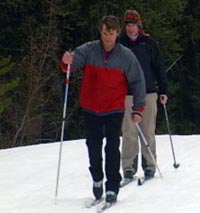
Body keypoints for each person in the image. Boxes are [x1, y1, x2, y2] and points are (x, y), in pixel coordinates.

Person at [60, 15, 146, 203]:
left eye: (112, 33)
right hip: (91, 107)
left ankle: (112, 187)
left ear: (117, 34)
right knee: (93, 145)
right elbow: (71, 65)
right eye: (105, 33)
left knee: (112, 147)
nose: (108, 37)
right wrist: (67, 61)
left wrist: (138, 108)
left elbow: (138, 81)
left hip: (114, 107)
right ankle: (97, 178)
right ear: (101, 32)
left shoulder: (125, 56)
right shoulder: (89, 49)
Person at [120, 9, 168, 181]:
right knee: (129, 131)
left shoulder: (148, 43)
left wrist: (163, 90)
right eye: (128, 25)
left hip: (148, 92)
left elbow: (159, 67)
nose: (130, 29)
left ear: (138, 26)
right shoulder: (120, 43)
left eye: (133, 25)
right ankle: (128, 167)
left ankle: (149, 165)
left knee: (147, 131)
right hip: (127, 94)